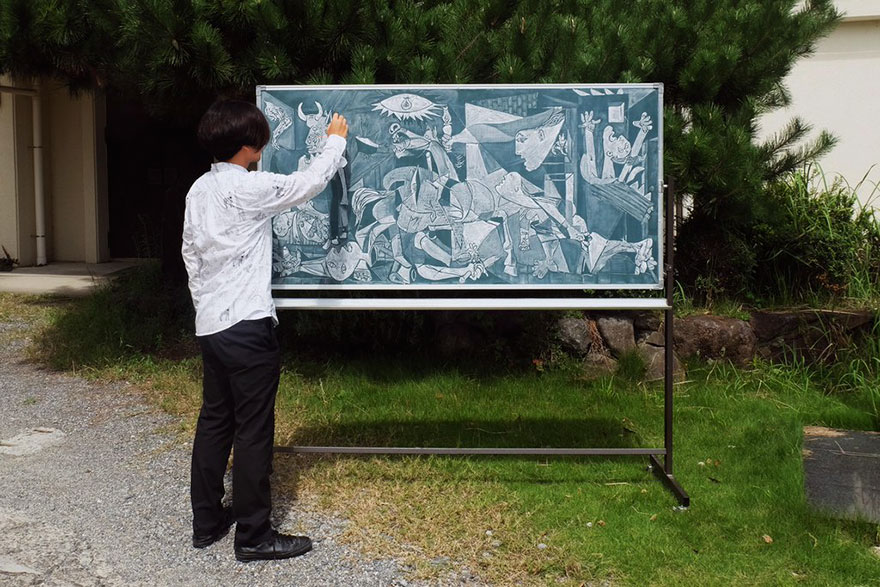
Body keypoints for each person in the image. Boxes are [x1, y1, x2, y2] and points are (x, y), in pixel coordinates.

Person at [181, 99, 348, 562]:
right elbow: (307, 183)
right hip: (249, 327)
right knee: (253, 431)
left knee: (215, 422)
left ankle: (207, 521)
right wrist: (335, 141)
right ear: (250, 146)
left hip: (212, 325)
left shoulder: (198, 190)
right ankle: (254, 537)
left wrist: (204, 307)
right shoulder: (251, 188)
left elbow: (189, 254)